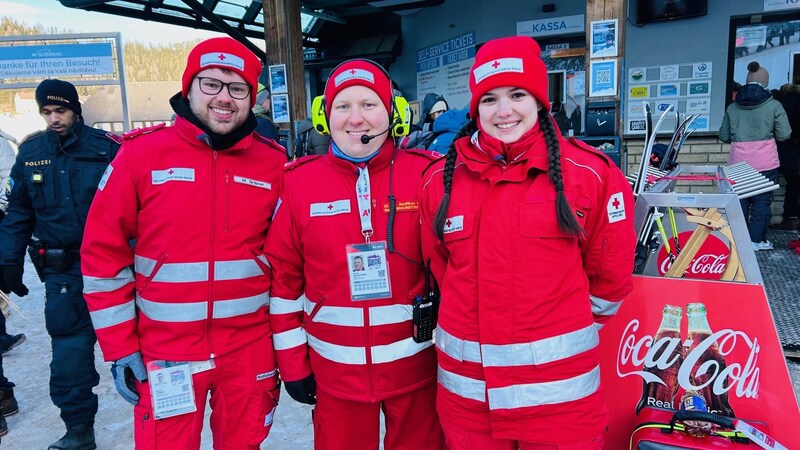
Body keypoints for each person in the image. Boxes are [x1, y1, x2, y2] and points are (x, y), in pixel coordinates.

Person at [419, 36, 636, 449]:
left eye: (517, 94)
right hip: (469, 401)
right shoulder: (439, 181)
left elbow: (609, 277)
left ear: (539, 100)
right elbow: (441, 268)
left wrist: (561, 326)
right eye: (489, 99)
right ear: (474, 107)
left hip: (560, 403)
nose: (503, 112)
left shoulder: (590, 175)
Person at [80, 37, 286, 450]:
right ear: (189, 87)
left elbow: (290, 260)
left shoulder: (274, 163)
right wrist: (120, 346)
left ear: (251, 97)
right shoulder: (141, 155)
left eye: (237, 88)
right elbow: (103, 255)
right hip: (166, 350)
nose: (224, 98)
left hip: (249, 348)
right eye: (211, 84)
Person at [265, 58, 445, 450]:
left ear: (393, 114)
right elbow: (284, 285)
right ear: (325, 117)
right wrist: (293, 364)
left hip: (418, 374)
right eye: (343, 106)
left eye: (369, 104)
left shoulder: (427, 174)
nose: (356, 118)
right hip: (335, 377)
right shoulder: (298, 183)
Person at [0, 79, 121, 450]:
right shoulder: (31, 151)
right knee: (69, 356)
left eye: (61, 111)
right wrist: (8, 262)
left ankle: (160, 424)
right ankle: (79, 432)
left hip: (115, 270)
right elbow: (19, 211)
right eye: (47, 112)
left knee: (139, 348)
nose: (54, 118)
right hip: (63, 273)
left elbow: (135, 208)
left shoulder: (106, 150)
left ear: (76, 109)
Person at [719, 61, 791, 250]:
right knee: (761, 201)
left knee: (740, 201)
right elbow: (784, 134)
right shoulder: (774, 105)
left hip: (738, 162)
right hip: (765, 162)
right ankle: (756, 241)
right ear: (765, 83)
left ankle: (739, 243)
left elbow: (724, 136)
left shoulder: (733, 107)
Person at [774, 82, 800, 231]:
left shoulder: (781, 102)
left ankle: (789, 218)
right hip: (796, 149)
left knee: (792, 186)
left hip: (786, 151)